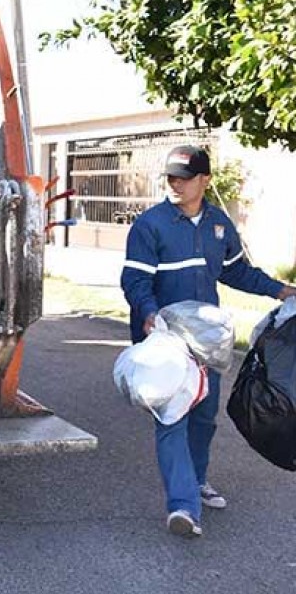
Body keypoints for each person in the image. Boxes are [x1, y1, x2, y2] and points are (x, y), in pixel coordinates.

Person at [121, 144, 296, 538]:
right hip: (165, 341)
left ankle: (197, 480)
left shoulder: (218, 224)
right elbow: (134, 280)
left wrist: (280, 291)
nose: (175, 185)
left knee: (203, 415)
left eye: (184, 178)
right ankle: (183, 506)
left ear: (205, 181)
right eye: (171, 178)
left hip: (206, 340)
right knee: (173, 417)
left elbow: (238, 273)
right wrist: (150, 313)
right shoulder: (151, 225)